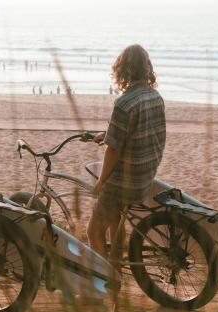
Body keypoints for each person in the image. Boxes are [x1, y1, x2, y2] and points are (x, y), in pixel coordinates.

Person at [87, 44, 166, 269]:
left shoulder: (124, 103)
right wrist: (109, 133)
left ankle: (106, 280)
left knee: (93, 232)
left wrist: (102, 181)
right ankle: (116, 270)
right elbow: (146, 132)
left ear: (122, 69)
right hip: (144, 177)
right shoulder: (155, 97)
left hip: (124, 181)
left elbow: (113, 150)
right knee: (116, 224)